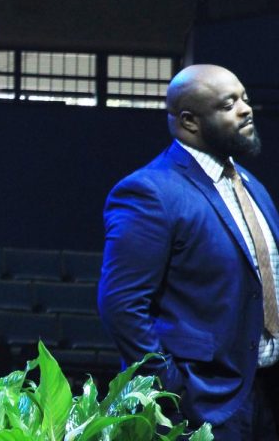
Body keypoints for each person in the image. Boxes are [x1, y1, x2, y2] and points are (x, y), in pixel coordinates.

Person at [99, 64, 277, 440]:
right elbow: (121, 305)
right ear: (189, 121)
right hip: (203, 404)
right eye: (228, 104)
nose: (245, 109)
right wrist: (172, 390)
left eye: (244, 98)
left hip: (267, 396)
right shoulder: (150, 192)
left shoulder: (251, 186)